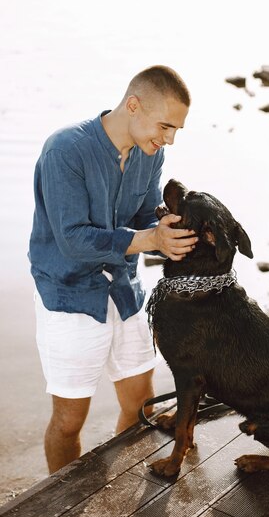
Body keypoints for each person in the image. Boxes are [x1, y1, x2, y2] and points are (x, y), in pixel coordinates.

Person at [28, 65, 198, 474]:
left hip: (124, 289)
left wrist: (172, 236)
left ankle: (117, 486)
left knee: (140, 404)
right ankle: (58, 509)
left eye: (176, 130)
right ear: (133, 105)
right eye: (165, 126)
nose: (169, 138)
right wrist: (149, 240)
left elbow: (144, 220)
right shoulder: (64, 150)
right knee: (69, 421)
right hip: (68, 296)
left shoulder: (150, 154)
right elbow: (72, 240)